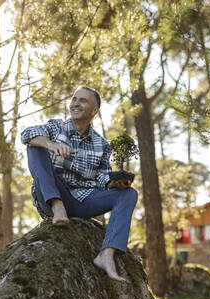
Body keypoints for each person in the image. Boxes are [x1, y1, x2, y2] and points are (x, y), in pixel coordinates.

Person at [21, 86, 138, 282]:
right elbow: (26, 134)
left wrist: (114, 182)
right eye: (74, 99)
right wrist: (50, 144)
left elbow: (101, 180)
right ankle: (57, 206)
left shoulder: (102, 145)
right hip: (51, 198)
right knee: (34, 146)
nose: (76, 103)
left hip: (83, 201)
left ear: (94, 110)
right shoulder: (55, 127)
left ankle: (106, 254)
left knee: (130, 194)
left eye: (83, 100)